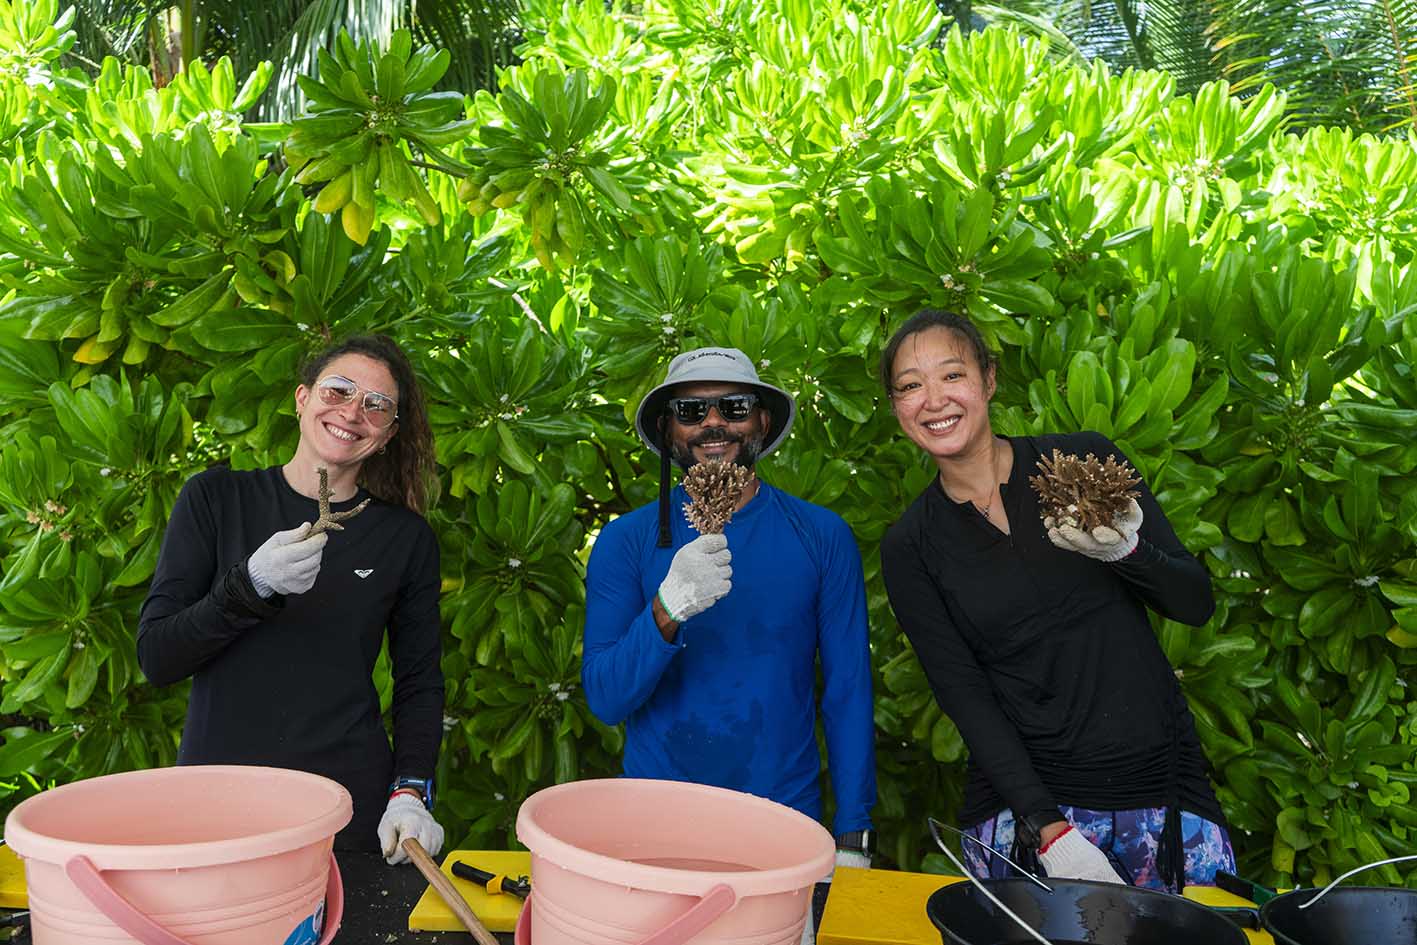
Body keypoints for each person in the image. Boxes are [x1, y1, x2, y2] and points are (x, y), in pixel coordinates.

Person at [878, 309, 1235, 892]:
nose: (934, 400)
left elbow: (1195, 603)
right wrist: (1050, 830)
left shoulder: (1082, 462)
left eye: (951, 375)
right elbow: (964, 695)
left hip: (1160, 794)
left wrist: (1127, 551)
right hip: (1031, 818)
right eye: (911, 386)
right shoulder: (910, 544)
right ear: (897, 407)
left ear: (988, 379)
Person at [138, 334, 446, 865]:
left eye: (377, 405)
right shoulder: (215, 499)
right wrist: (249, 585)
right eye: (339, 390)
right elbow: (159, 657)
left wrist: (411, 791)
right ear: (302, 398)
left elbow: (419, 680)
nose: (353, 412)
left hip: (343, 808)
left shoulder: (404, 537)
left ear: (389, 433)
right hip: (218, 800)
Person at [582, 347, 877, 870]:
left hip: (783, 823)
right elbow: (606, 699)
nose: (713, 423)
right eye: (692, 411)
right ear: (669, 429)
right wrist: (667, 608)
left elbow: (848, 691)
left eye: (734, 407)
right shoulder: (625, 541)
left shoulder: (821, 536)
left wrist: (854, 833)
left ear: (762, 420)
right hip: (656, 824)